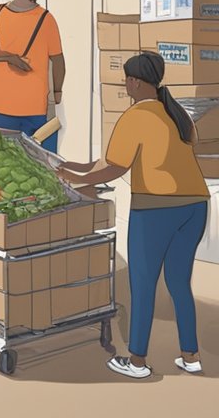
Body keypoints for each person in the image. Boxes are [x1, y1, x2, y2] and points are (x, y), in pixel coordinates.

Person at [57, 52, 207, 379]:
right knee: (179, 282)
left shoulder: (136, 115)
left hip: (156, 208)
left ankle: (137, 361)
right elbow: (104, 163)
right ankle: (190, 356)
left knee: (143, 284)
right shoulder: (175, 112)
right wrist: (69, 168)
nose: (125, 85)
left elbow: (113, 168)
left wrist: (72, 179)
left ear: (135, 81)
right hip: (195, 207)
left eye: (127, 79)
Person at [0, 0, 65, 152]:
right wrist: (58, 91)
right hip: (34, 105)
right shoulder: (46, 19)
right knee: (39, 162)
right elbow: (58, 61)